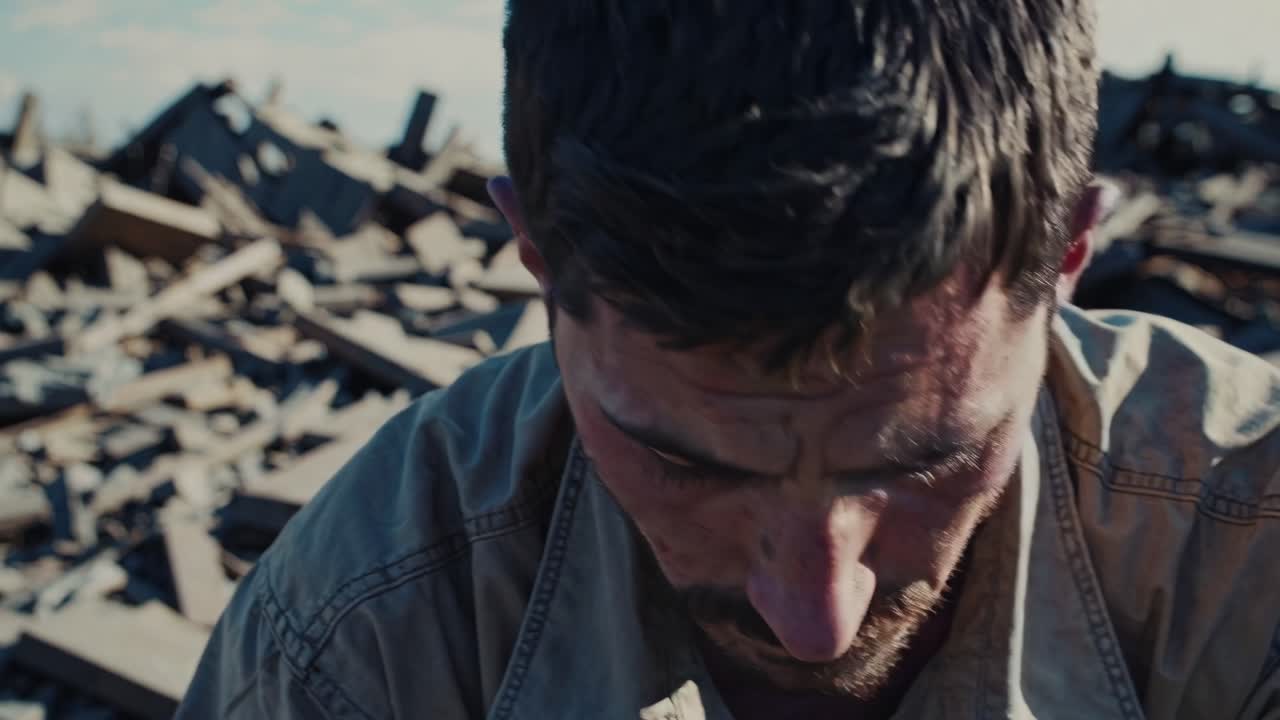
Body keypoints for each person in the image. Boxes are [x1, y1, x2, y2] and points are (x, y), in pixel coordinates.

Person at [176, 2, 1280, 718]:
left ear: (1071, 252)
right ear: (533, 254)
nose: (817, 615)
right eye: (691, 466)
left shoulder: (1249, 546)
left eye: (922, 463)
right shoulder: (360, 635)